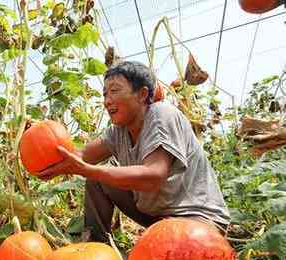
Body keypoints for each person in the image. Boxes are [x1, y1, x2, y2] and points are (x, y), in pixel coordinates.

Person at [37, 60, 231, 242]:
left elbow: (154, 176)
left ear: (142, 94)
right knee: (98, 179)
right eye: (105, 94)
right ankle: (96, 248)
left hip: (198, 220)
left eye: (114, 91)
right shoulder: (118, 131)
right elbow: (81, 155)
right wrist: (50, 160)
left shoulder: (162, 115)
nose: (107, 101)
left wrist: (86, 169)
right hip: (158, 218)